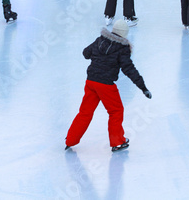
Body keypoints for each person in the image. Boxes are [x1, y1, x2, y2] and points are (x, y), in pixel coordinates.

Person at [65, 20, 152, 152]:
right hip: (105, 85)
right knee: (116, 111)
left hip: (91, 82)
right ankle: (117, 142)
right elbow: (129, 69)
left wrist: (97, 55)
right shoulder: (122, 48)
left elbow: (85, 53)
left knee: (85, 112)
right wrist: (143, 87)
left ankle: (70, 140)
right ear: (124, 34)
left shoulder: (100, 40)